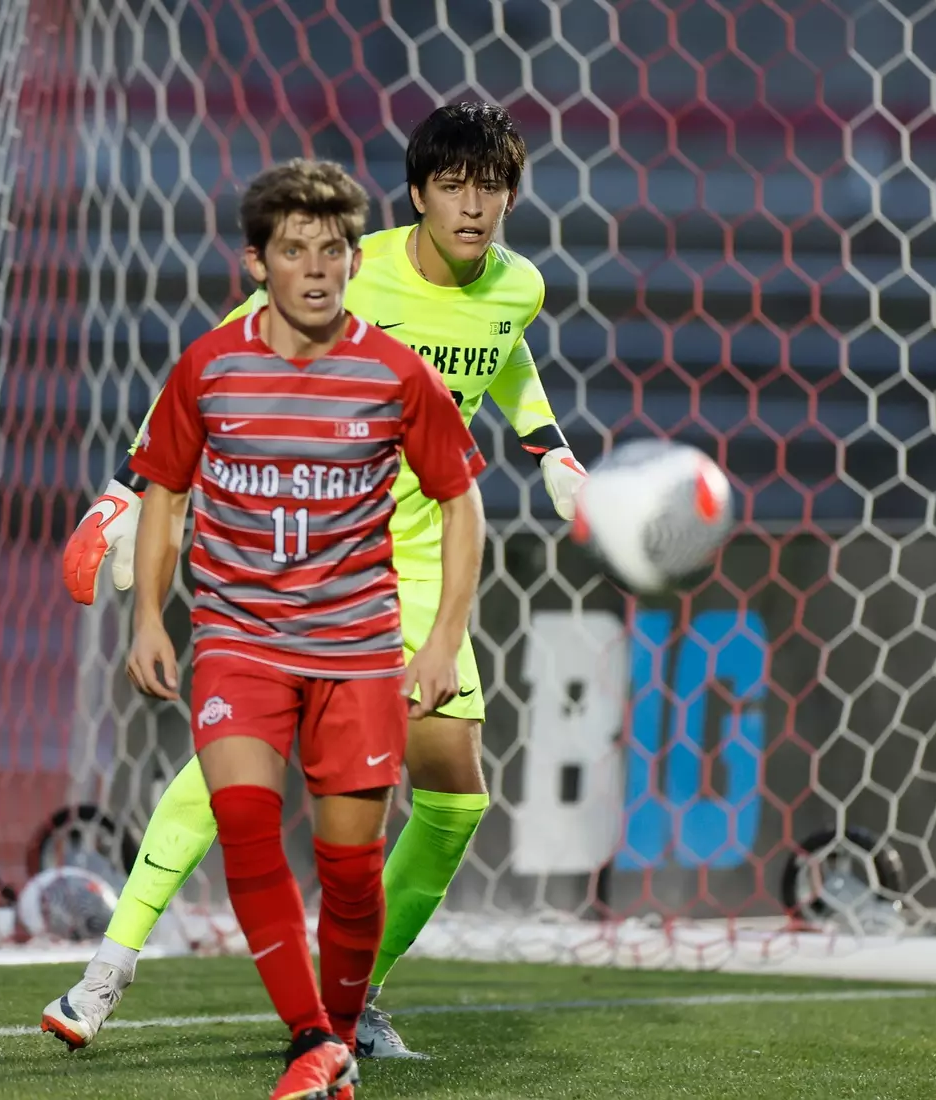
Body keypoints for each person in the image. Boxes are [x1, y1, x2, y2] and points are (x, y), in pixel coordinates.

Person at [45, 102, 586, 1059]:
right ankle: (107, 969)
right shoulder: (348, 267)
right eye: (452, 186)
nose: (473, 206)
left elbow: (506, 358)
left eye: (491, 187)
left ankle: (355, 997)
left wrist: (551, 452)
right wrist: (124, 494)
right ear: (416, 194)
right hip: (313, 543)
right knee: (239, 758)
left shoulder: (519, 286)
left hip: (418, 557)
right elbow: (206, 374)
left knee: (456, 797)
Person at [73, 156, 487, 1100]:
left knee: (348, 872)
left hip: (356, 646)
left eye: (333, 249)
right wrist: (149, 616)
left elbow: (463, 504)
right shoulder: (211, 366)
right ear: (256, 261)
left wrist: (438, 638)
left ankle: (336, 1035)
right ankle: (308, 1035)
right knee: (249, 820)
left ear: (351, 257)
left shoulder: (394, 374)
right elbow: (167, 488)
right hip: (240, 638)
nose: (317, 268)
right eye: (294, 250)